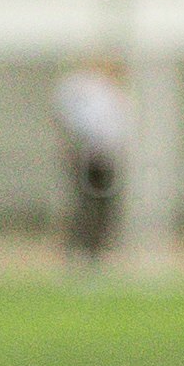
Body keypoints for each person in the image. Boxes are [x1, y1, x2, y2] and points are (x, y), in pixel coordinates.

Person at [53, 57, 138, 274]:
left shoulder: (113, 92)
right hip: (88, 154)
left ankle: (94, 255)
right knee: (86, 204)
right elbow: (78, 120)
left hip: (106, 156)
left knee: (104, 206)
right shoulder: (85, 88)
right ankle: (77, 254)